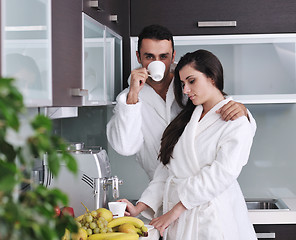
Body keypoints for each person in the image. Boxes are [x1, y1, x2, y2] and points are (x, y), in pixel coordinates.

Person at [119, 50, 257, 240]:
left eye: (191, 81)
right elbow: (168, 170)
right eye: (183, 84)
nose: (185, 90)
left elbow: (221, 174)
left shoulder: (236, 121)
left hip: (211, 219)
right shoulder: (187, 119)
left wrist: (175, 211)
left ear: (212, 77)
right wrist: (138, 208)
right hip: (180, 221)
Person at [106, 24, 256, 180]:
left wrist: (242, 111)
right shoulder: (129, 98)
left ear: (173, 56)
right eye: (149, 56)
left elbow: (232, 126)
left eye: (163, 56)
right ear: (138, 57)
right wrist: (133, 96)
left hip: (201, 183)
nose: (157, 63)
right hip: (160, 189)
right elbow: (125, 147)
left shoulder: (190, 85)